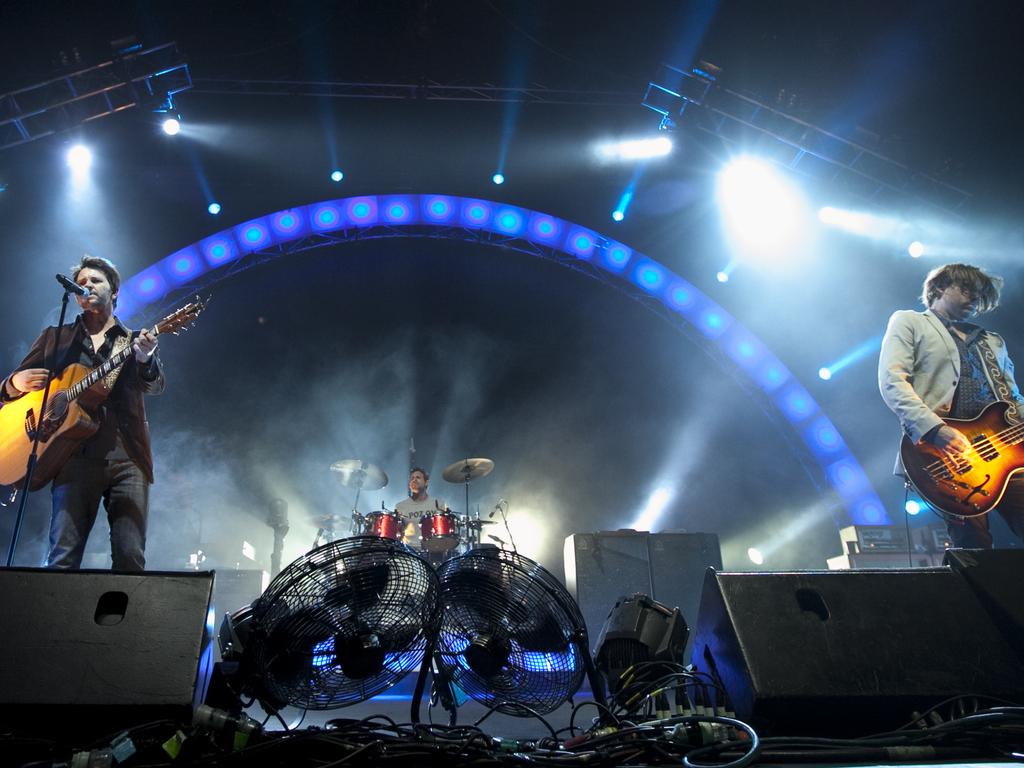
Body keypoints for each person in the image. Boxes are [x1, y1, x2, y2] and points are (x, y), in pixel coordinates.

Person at [1, 256, 162, 569]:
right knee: (62, 558)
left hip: (126, 457)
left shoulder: (133, 341)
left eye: (96, 281)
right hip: (71, 455)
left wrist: (147, 360)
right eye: (83, 283)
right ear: (74, 295)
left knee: (130, 558)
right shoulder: (55, 337)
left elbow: (154, 386)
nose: (87, 286)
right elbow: (10, 392)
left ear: (114, 292)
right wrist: (13, 382)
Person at [879, 263, 1024, 548]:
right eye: (966, 289)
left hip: (1006, 451)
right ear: (939, 288)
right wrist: (935, 430)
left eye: (980, 294)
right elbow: (892, 381)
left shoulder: (992, 341)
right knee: (975, 547)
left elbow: (1013, 399)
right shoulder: (910, 321)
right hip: (947, 454)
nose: (974, 298)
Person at [394, 466, 447, 548]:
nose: (414, 480)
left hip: (434, 549)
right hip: (409, 551)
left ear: (426, 482)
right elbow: (396, 533)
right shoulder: (400, 506)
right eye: (412, 478)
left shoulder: (439, 504)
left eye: (418, 477)